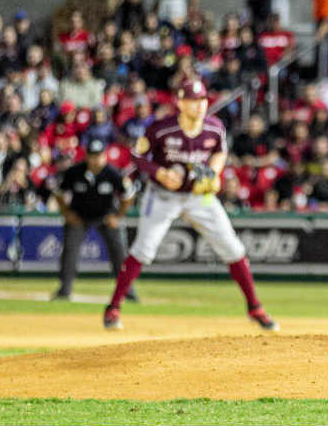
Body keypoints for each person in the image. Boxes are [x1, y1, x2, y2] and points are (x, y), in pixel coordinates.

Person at [102, 80, 278, 331]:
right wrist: (160, 172)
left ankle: (255, 307)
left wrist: (215, 173)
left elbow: (219, 152)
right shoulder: (162, 129)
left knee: (233, 248)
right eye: (194, 100)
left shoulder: (215, 128)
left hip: (198, 198)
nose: (200, 105)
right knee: (144, 249)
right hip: (163, 195)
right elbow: (137, 155)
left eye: (203, 100)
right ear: (180, 102)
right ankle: (113, 308)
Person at [53, 139, 137, 302]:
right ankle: (64, 289)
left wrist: (118, 216)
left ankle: (127, 291)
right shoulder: (74, 172)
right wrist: (66, 213)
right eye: (92, 156)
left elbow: (128, 196)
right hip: (79, 216)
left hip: (105, 217)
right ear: (87, 157)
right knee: (70, 250)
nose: (96, 159)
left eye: (99, 156)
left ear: (105, 156)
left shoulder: (113, 173)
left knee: (119, 253)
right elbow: (58, 192)